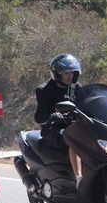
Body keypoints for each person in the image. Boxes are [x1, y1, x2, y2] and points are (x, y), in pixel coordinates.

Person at [34, 54, 84, 189]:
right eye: (66, 73)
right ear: (57, 74)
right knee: (73, 137)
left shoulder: (76, 87)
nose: (70, 76)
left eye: (72, 73)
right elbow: (40, 115)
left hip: (75, 126)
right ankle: (79, 178)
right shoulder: (44, 90)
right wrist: (51, 117)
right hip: (52, 131)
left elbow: (87, 103)